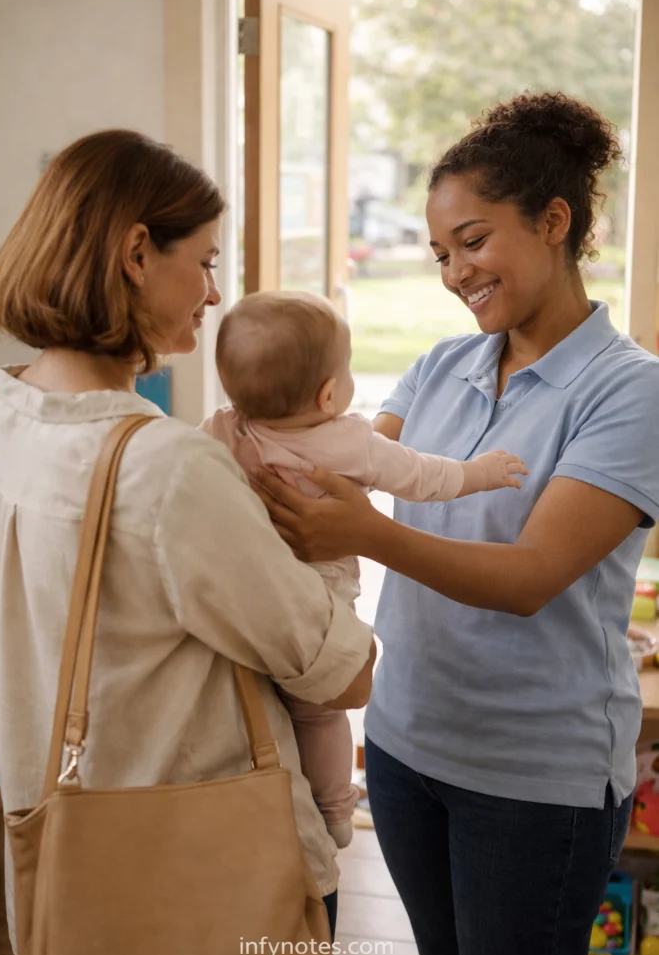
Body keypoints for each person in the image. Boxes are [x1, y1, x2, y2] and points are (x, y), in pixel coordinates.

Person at [251, 92, 659, 955]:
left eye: (472, 242)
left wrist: (363, 531)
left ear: (554, 221)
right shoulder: (445, 361)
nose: (452, 272)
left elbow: (528, 577)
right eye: (440, 252)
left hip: (532, 777)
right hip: (404, 744)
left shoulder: (630, 392)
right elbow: (350, 461)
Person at [0, 129, 375, 953]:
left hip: (72, 857)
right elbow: (343, 673)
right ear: (134, 254)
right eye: (203, 260)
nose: (214, 292)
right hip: (205, 876)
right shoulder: (164, 467)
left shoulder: (3, 415)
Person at [204, 288, 527, 849]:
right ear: (329, 393)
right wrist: (480, 473)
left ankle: (263, 796)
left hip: (250, 595)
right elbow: (423, 476)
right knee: (322, 714)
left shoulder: (224, 431)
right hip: (319, 605)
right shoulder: (350, 442)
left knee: (254, 704)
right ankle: (333, 810)